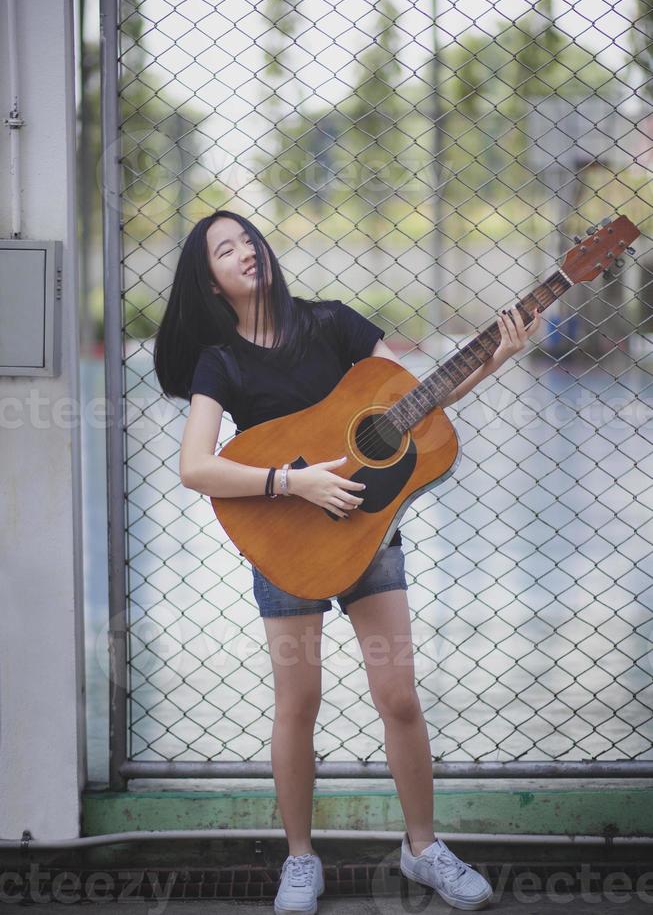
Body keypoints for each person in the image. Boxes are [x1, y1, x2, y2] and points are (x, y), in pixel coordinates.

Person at [153, 208, 542, 914]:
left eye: (248, 239)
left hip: (368, 536)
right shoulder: (222, 361)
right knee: (298, 703)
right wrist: (290, 481)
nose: (244, 251)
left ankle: (422, 849)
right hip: (286, 544)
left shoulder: (333, 324)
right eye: (224, 248)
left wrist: (498, 356)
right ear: (209, 282)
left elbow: (417, 403)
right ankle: (300, 859)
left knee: (398, 696)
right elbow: (194, 467)